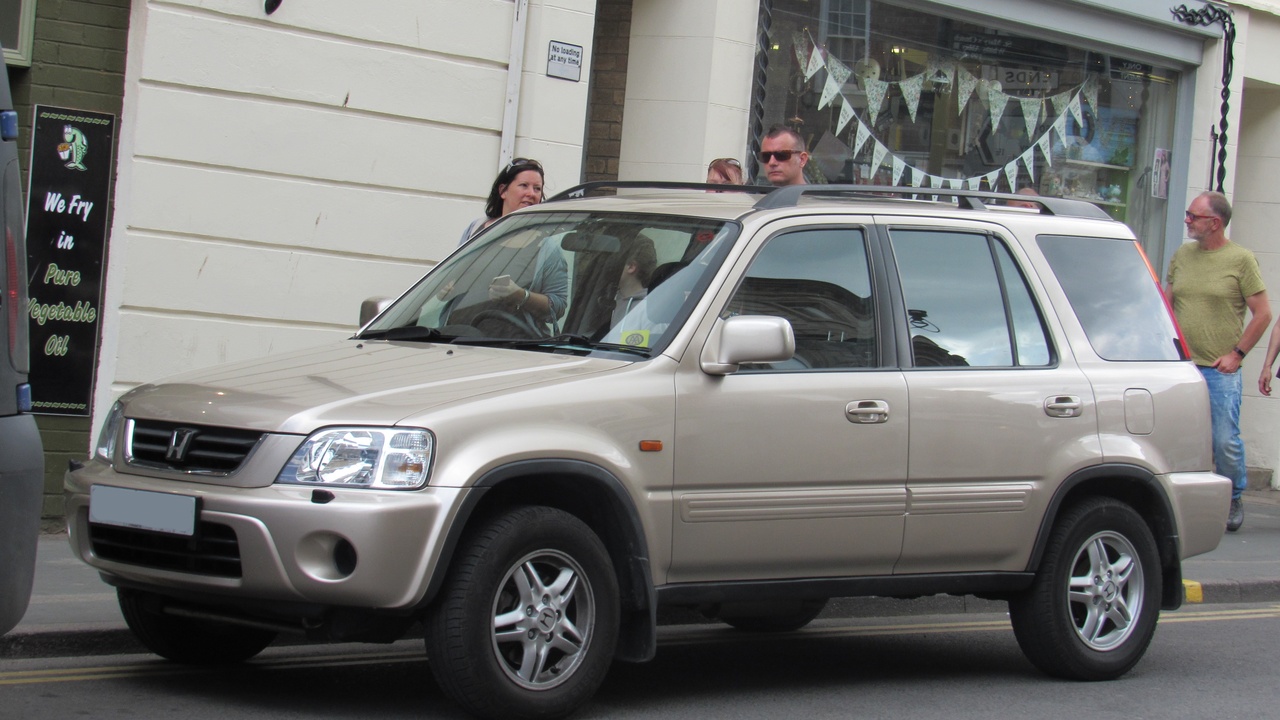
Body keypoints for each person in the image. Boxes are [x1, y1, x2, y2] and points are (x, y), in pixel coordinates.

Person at [1166, 191, 1271, 532]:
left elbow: (1263, 314)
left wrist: (1237, 354)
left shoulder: (1241, 260)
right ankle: (1177, 500)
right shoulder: (1183, 255)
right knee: (1177, 435)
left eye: (1193, 216)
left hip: (1219, 369)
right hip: (1181, 366)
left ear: (1214, 223)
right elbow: (1166, 304)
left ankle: (1233, 496)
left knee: (1224, 439)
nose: (1187, 220)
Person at [459, 157, 544, 245]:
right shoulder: (474, 229)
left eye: (537, 188)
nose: (531, 193)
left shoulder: (545, 242)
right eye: (524, 185)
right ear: (503, 191)